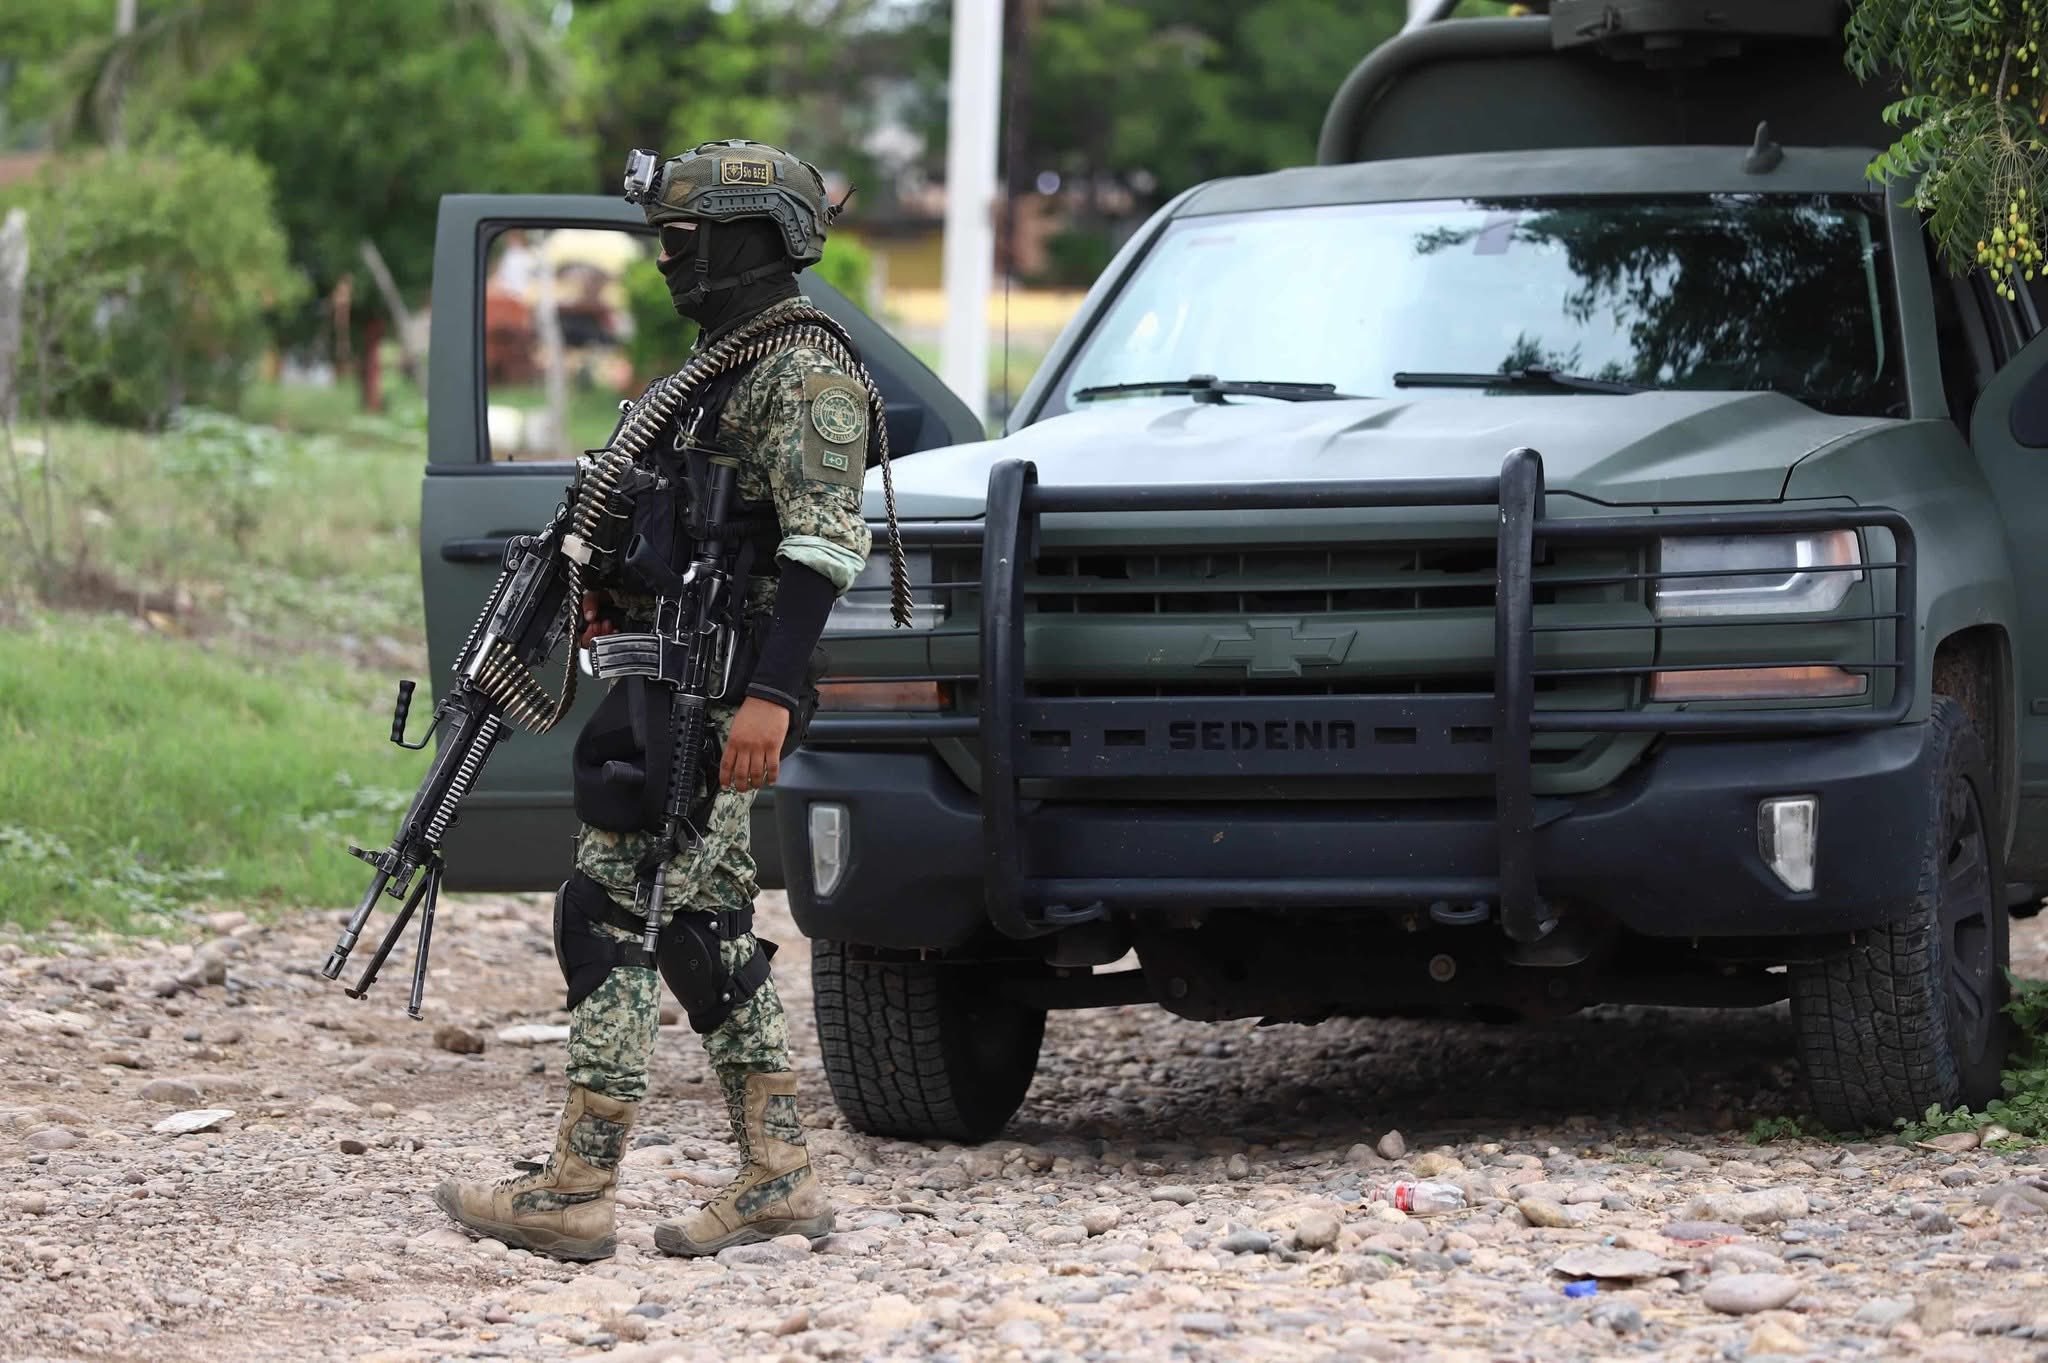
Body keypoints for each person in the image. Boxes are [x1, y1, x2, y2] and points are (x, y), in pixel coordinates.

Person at [434, 140, 889, 1263]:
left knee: (615, 914)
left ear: (746, 241)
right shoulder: (719, 368)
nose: (666, 264)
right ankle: (775, 1171)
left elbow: (821, 550)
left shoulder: (802, 372)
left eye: (683, 243)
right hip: (670, 681)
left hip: (726, 695)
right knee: (698, 926)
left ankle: (581, 1187)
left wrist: (770, 697)